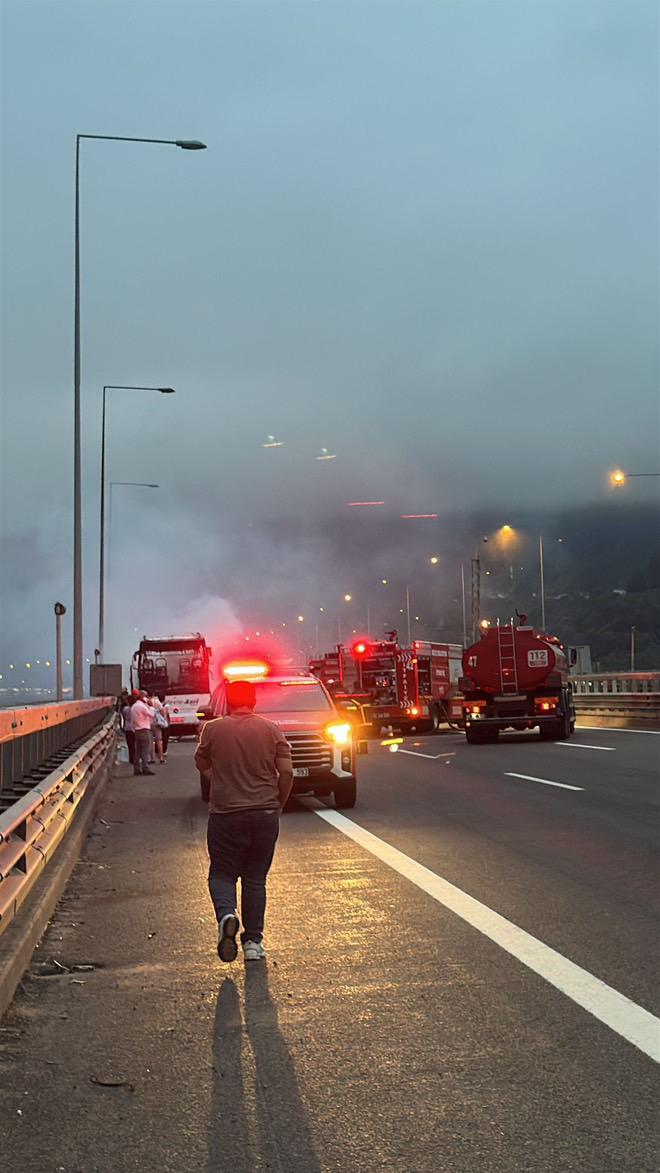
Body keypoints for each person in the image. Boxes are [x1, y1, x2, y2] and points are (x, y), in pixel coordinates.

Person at [194, 678, 293, 963]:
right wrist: (278, 803)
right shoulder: (271, 729)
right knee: (255, 878)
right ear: (254, 701)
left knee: (222, 873)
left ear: (228, 701)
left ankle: (227, 914)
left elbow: (200, 761)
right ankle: (253, 943)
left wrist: (215, 777)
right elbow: (286, 772)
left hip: (225, 814)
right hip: (264, 813)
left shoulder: (213, 729)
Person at [131, 691, 156, 776]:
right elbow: (151, 714)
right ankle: (145, 767)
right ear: (143, 697)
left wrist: (134, 728)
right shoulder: (142, 706)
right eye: (146, 696)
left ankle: (136, 769)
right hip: (144, 729)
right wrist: (151, 706)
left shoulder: (134, 706)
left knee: (138, 751)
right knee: (145, 750)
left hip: (137, 730)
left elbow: (132, 721)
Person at [122, 693, 137, 769]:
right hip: (135, 727)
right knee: (135, 744)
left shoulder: (125, 709)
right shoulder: (135, 708)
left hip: (127, 727)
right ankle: (135, 757)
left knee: (130, 744)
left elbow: (124, 717)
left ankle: (131, 758)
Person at [158, 694, 171, 759]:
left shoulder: (157, 705)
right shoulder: (167, 706)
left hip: (159, 723)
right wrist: (169, 722)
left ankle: (158, 750)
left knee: (160, 737)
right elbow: (168, 714)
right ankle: (164, 751)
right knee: (165, 737)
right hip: (165, 723)